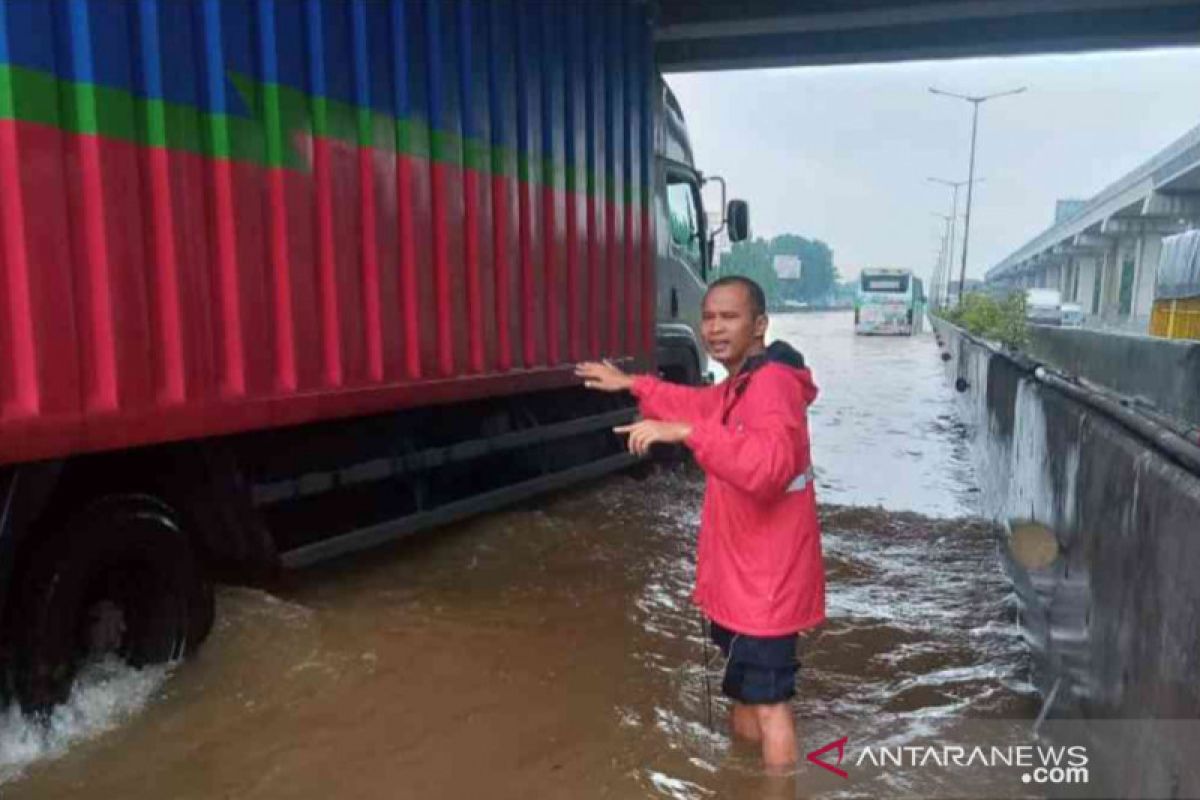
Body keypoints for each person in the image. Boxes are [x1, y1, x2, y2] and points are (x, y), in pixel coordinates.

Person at [574, 276, 825, 770]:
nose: (713, 328)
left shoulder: (772, 385)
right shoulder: (742, 383)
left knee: (771, 707)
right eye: (708, 317)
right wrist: (634, 385)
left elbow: (769, 467)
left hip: (766, 588)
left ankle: (775, 788)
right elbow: (699, 405)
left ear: (759, 325)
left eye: (728, 317)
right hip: (742, 583)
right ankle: (743, 782)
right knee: (745, 695)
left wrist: (687, 433)